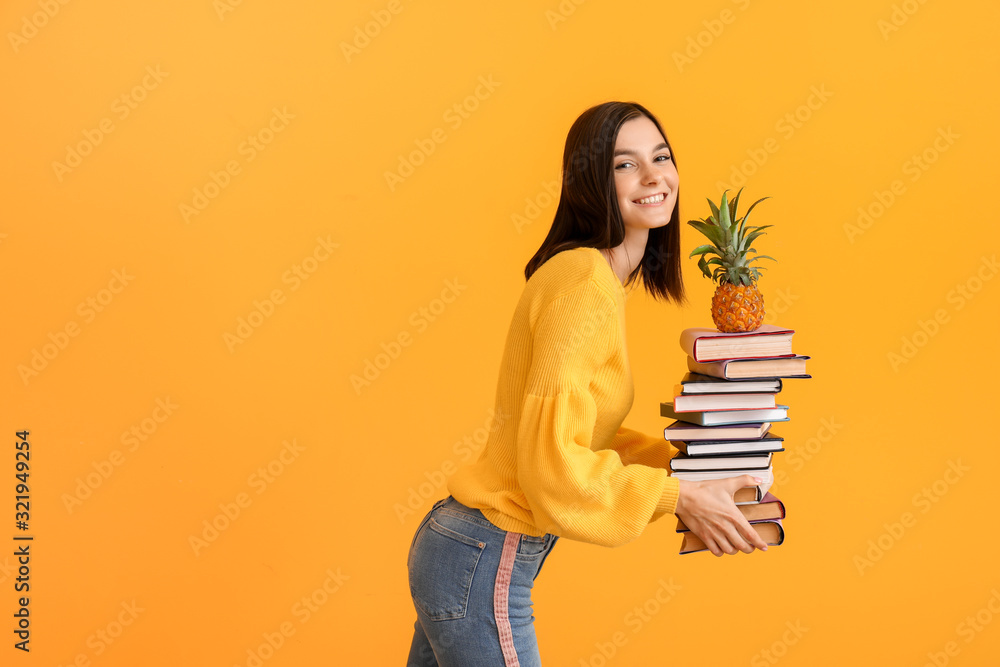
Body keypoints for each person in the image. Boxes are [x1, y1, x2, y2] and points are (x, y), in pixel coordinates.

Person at [405, 101, 769, 667]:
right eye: (624, 165)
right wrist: (679, 496)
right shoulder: (583, 283)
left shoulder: (595, 278)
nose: (653, 177)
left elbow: (580, 432)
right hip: (484, 552)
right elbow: (550, 459)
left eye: (661, 157)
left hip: (464, 549)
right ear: (589, 183)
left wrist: (683, 464)